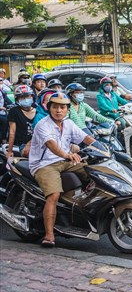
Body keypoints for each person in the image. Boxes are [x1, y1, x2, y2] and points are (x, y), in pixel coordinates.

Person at [28, 92, 96, 247]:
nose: (59, 110)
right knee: (54, 195)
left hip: (65, 160)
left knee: (94, 173)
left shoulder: (68, 123)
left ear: (67, 109)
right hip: (44, 164)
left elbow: (86, 138)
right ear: (49, 108)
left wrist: (102, 148)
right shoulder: (43, 125)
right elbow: (51, 145)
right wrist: (67, 154)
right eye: (55, 107)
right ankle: (49, 235)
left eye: (62, 107)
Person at [7, 85, 37, 158]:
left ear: (32, 97)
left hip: (39, 142)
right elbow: (12, 132)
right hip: (22, 144)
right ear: (17, 100)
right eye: (22, 97)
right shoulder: (14, 111)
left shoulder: (38, 111)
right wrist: (9, 151)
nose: (26, 99)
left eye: (28, 96)